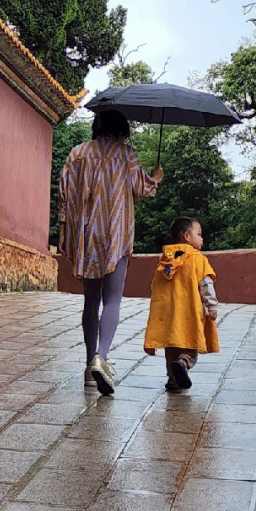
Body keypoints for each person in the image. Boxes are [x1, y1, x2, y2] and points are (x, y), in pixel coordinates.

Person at [58, 109, 162, 395]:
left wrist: (63, 231)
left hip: (85, 236)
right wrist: (155, 179)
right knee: (113, 298)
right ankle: (102, 358)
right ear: (121, 129)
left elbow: (64, 195)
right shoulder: (126, 154)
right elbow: (140, 189)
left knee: (90, 301)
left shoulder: (76, 154)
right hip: (116, 234)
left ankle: (89, 365)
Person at [144, 217, 220, 391]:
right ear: (187, 236)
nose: (202, 238)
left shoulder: (165, 262)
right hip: (189, 315)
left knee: (170, 350)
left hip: (169, 318)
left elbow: (156, 289)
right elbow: (206, 284)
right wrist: (211, 306)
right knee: (190, 348)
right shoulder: (198, 259)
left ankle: (173, 381)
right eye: (199, 234)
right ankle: (183, 363)